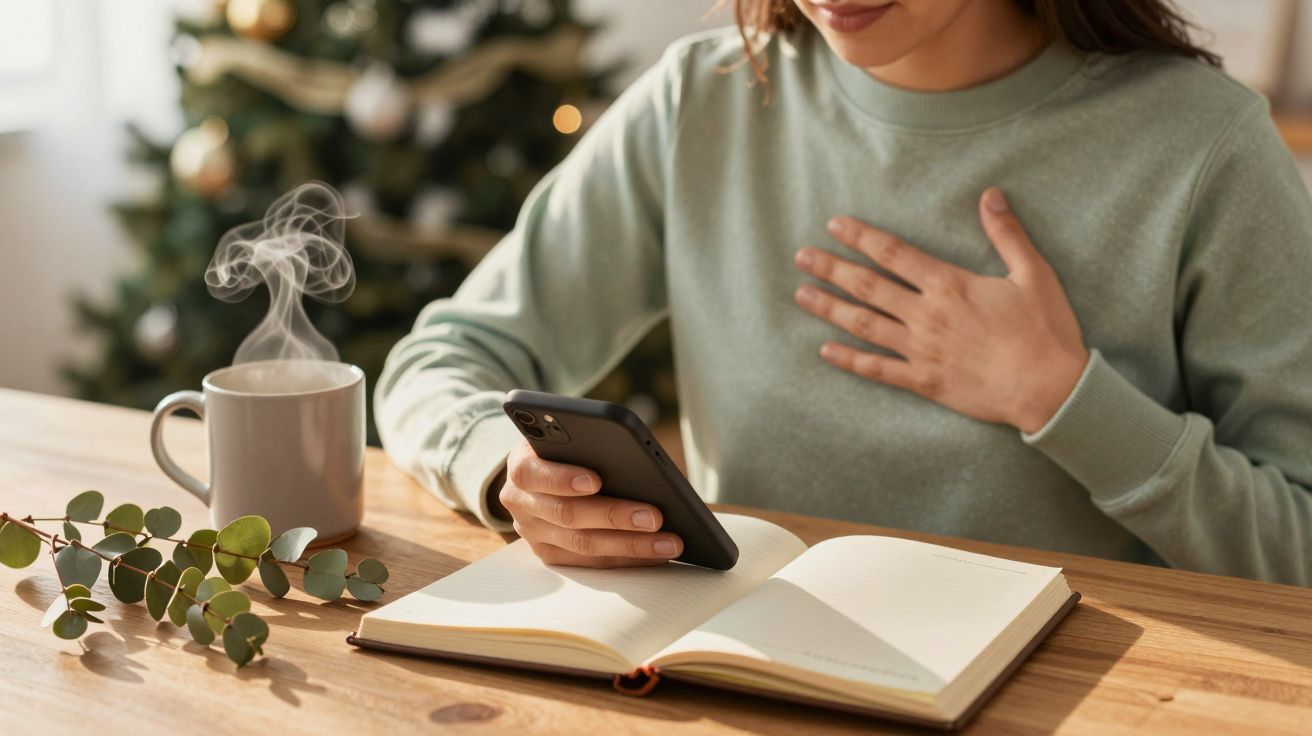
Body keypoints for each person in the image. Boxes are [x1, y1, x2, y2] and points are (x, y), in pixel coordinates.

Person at [375, 0, 1312, 585]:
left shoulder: (1204, 148)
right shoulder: (702, 101)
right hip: (753, 680)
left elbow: (1299, 545)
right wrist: (507, 471)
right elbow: (437, 361)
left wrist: (1064, 400)